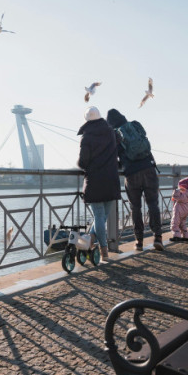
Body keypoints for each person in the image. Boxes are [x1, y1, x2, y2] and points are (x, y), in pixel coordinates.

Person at [105, 108, 164, 251]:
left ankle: (139, 241)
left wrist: (121, 165)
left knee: (135, 208)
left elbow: (113, 156)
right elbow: (144, 139)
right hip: (149, 168)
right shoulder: (135, 125)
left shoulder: (114, 135)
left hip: (131, 174)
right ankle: (157, 237)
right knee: (153, 204)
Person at [78, 106, 121, 260]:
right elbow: (119, 145)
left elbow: (83, 162)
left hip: (95, 181)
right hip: (111, 179)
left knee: (99, 217)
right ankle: (90, 241)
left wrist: (80, 164)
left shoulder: (87, 136)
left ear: (86, 120)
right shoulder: (111, 132)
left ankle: (104, 251)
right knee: (102, 218)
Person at [170, 177, 188, 242]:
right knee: (182, 223)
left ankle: (176, 236)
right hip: (185, 211)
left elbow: (175, 196)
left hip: (179, 210)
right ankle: (186, 236)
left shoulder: (182, 194)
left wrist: (177, 190)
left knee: (175, 223)